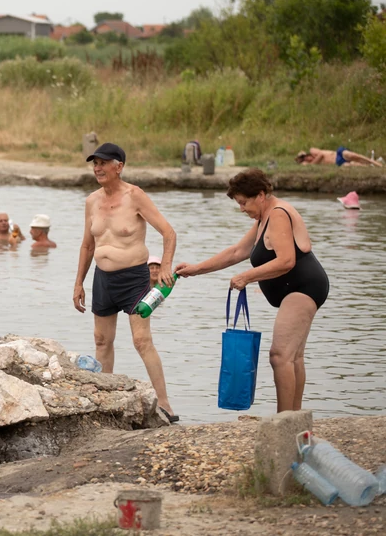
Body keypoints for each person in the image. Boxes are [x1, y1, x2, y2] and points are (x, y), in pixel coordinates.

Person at [176, 169, 329, 413]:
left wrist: (247, 277)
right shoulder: (263, 218)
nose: (242, 209)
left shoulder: (278, 214)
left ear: (260, 195)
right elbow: (237, 252)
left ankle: (284, 420)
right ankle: (295, 419)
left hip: (303, 287)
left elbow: (287, 260)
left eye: (243, 202)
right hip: (298, 288)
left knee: (280, 356)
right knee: (293, 357)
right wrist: (195, 269)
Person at [72, 143, 178, 422]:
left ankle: (165, 403)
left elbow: (168, 232)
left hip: (134, 278)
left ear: (119, 166)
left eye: (104, 163)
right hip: (103, 278)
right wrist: (78, 283)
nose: (98, 168)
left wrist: (165, 265)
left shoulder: (135, 196)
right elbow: (86, 246)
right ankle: (106, 401)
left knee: (142, 340)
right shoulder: (91, 201)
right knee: (101, 340)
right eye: (94, 163)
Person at [296, 147, 382, 167]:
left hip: (338, 154)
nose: (306, 159)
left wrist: (314, 160)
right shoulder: (311, 164)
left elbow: (321, 154)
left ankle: (377, 163)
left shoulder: (313, 151)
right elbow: (304, 165)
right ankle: (370, 166)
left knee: (353, 155)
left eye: (305, 156)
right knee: (350, 165)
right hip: (338, 162)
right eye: (304, 159)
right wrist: (307, 162)